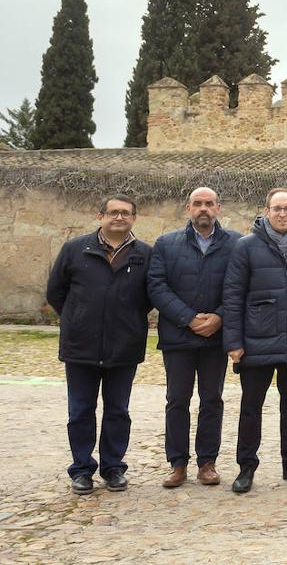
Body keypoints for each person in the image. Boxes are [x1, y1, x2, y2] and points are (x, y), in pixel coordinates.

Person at [47, 194, 152, 495]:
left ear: (134, 218)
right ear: (100, 216)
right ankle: (81, 469)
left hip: (124, 346)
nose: (119, 218)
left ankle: (113, 467)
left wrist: (126, 320)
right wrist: (79, 318)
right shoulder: (74, 250)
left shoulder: (145, 254)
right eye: (113, 213)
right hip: (81, 346)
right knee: (80, 410)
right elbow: (56, 292)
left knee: (118, 410)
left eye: (126, 213)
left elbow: (147, 298)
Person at [222, 188, 287, 493]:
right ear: (266, 211)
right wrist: (233, 342)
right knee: (251, 407)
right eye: (277, 208)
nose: (282, 213)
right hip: (257, 340)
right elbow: (232, 296)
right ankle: (246, 467)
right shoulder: (246, 247)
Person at [148, 187, 241, 489]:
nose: (204, 209)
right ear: (187, 208)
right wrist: (187, 317)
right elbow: (157, 287)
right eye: (197, 204)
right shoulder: (166, 243)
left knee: (211, 399)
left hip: (215, 338)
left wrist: (220, 317)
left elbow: (241, 287)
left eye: (209, 204)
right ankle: (177, 463)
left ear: (218, 208)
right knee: (177, 400)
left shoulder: (236, 244)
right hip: (178, 336)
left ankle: (207, 463)